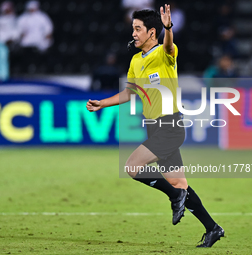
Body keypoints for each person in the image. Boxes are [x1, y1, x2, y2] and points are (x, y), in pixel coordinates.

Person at [86, 7, 224, 248]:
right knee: (179, 183)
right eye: (133, 29)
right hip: (154, 128)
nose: (134, 33)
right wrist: (102, 104)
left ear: (152, 32)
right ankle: (213, 228)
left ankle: (175, 197)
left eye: (138, 29)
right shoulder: (135, 61)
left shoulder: (164, 53)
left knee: (132, 166)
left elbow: (170, 46)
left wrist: (168, 28)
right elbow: (128, 94)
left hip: (170, 126)